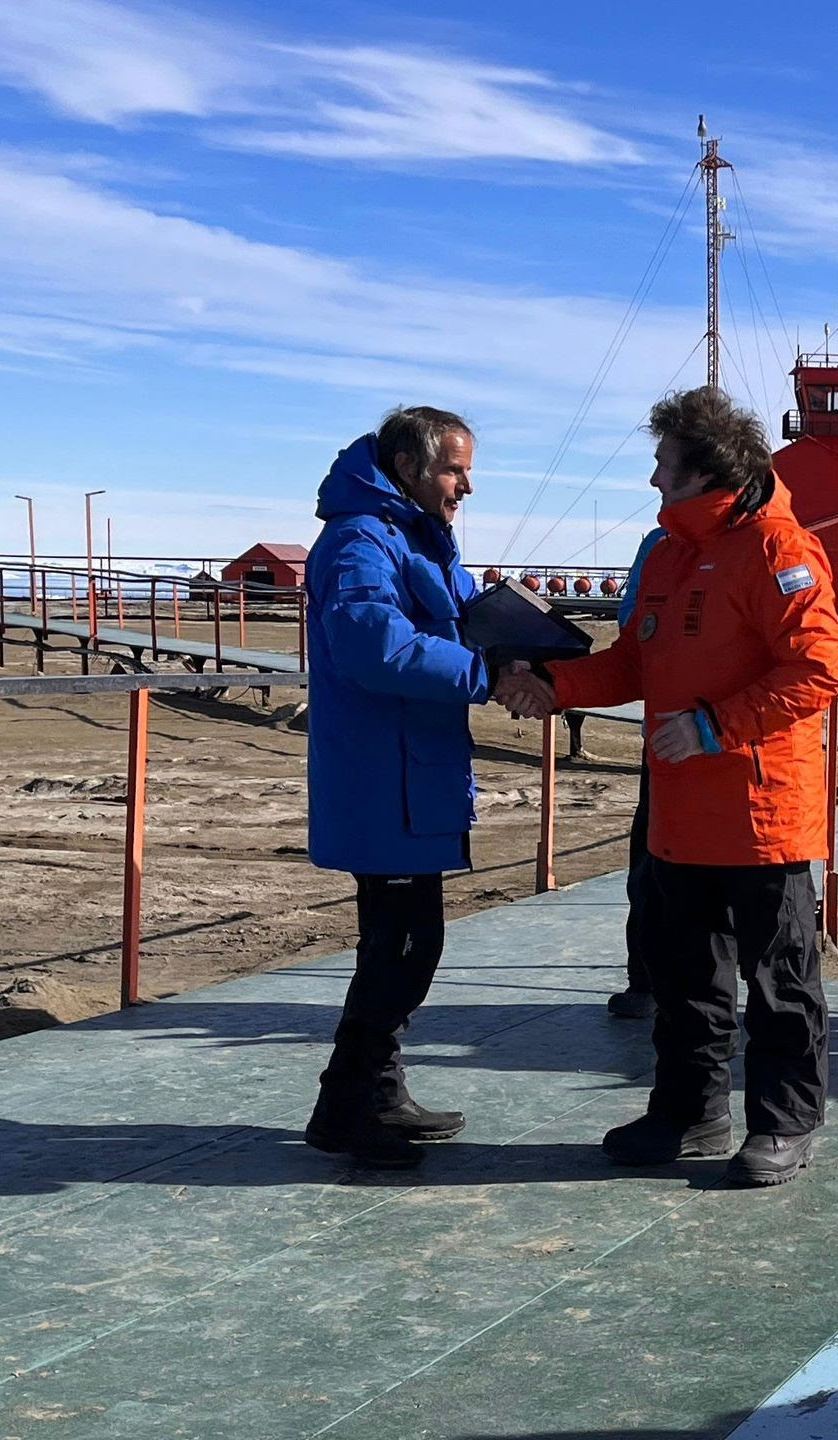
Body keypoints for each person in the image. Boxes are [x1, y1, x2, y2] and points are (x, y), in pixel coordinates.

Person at [510, 386, 838, 1186]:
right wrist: (553, 683)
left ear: (703, 470)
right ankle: (690, 1112)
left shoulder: (779, 549)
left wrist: (713, 726)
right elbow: (635, 662)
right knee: (685, 975)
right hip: (680, 812)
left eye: (663, 464)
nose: (653, 479)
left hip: (762, 813)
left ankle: (783, 1123)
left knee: (778, 981)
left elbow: (817, 668)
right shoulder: (666, 554)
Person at [302, 405, 530, 1167]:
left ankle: (365, 1094)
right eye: (453, 468)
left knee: (403, 945)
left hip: (414, 775)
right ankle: (356, 1106)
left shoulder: (415, 536)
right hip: (383, 778)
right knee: (401, 946)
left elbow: (454, 618)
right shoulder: (360, 539)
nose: (466, 484)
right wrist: (484, 675)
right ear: (408, 467)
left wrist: (522, 637)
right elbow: (373, 643)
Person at [607, 523, 667, 1022]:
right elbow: (633, 631)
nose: (656, 482)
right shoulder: (659, 545)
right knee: (649, 861)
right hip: (666, 738)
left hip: (737, 750)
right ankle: (645, 976)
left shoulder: (771, 545)